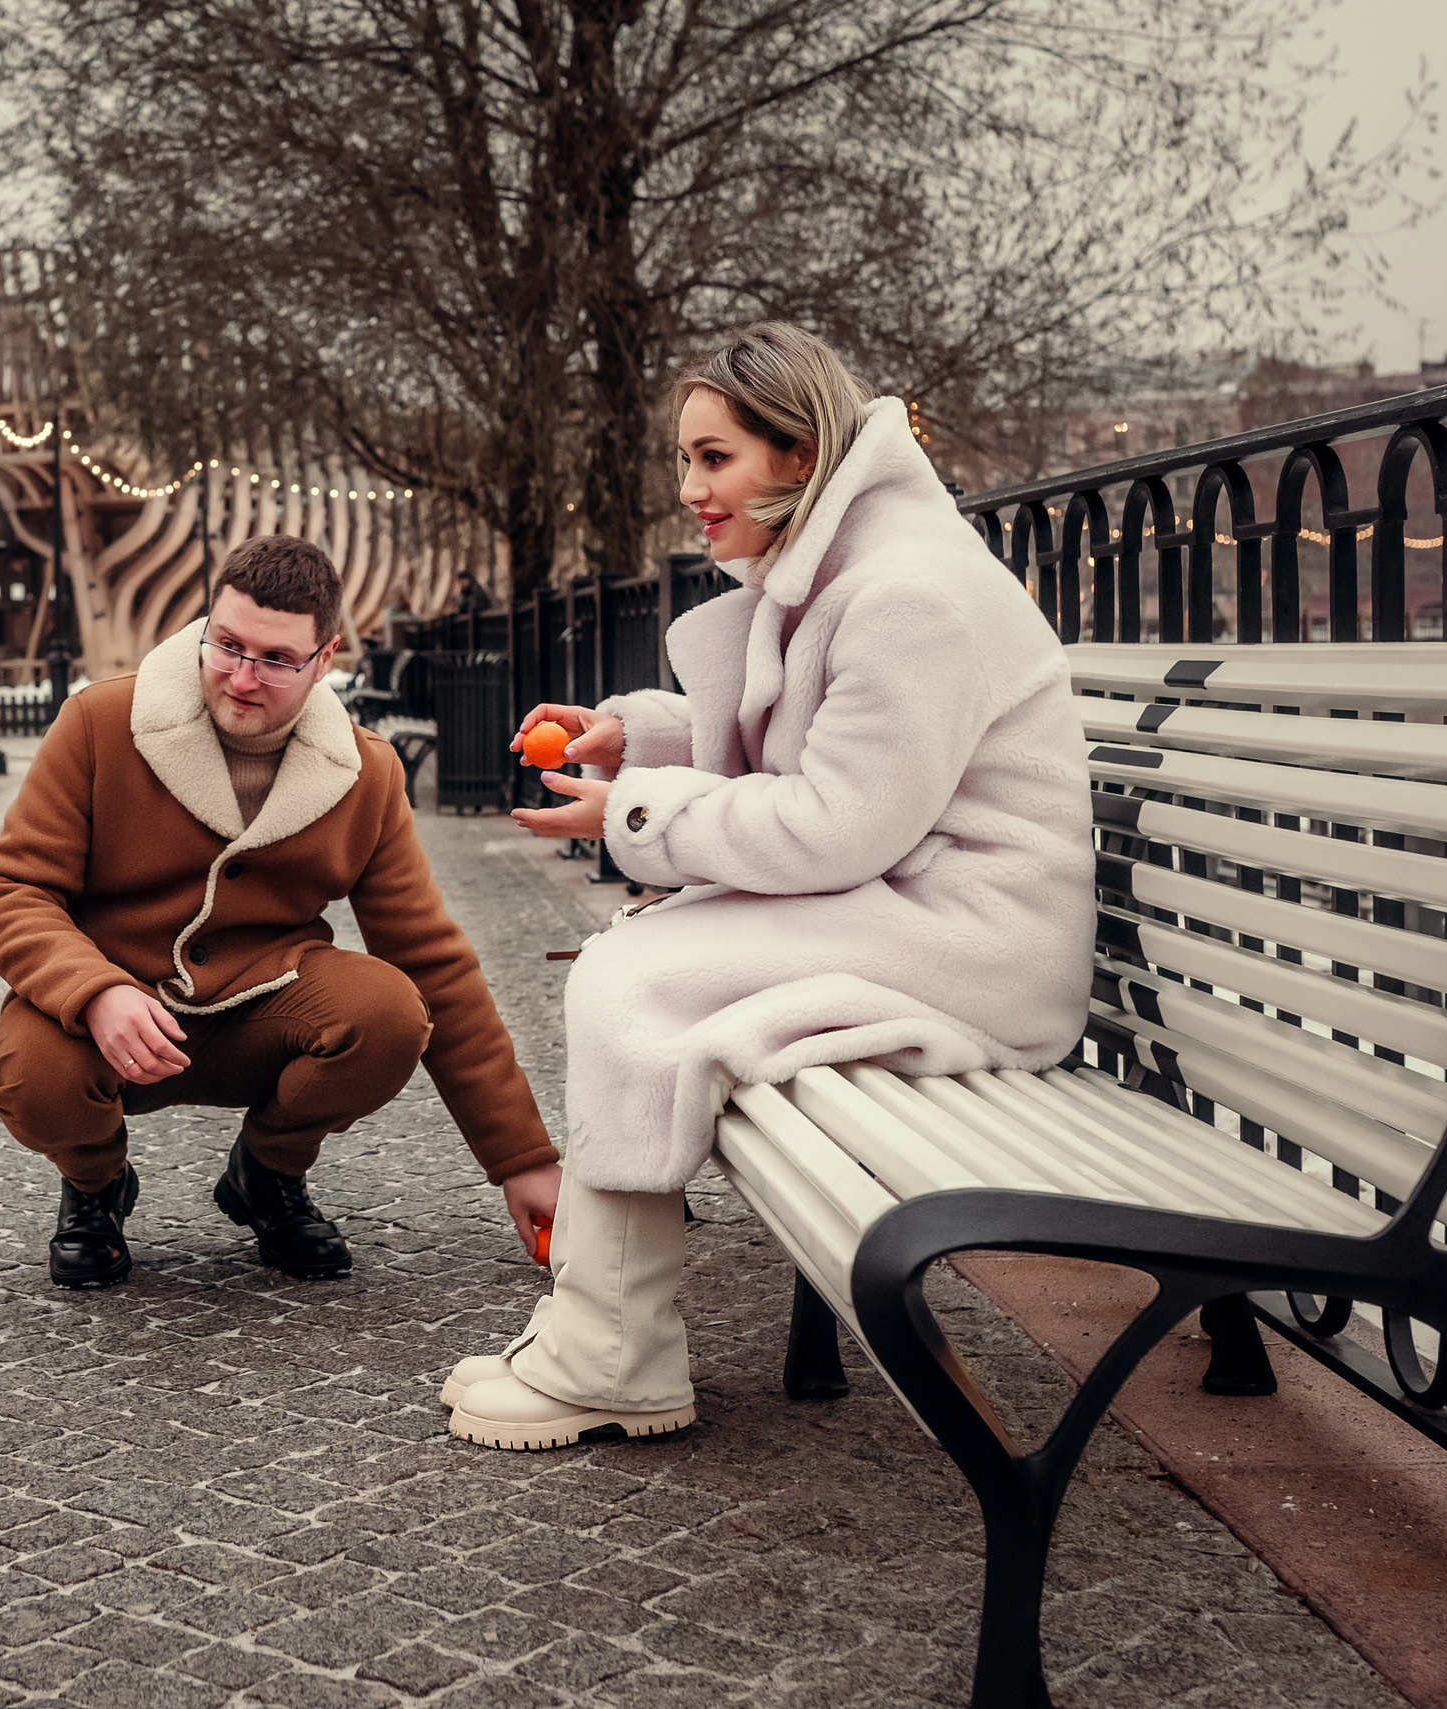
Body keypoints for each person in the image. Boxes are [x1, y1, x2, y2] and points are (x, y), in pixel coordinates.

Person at [442, 323, 1094, 1450]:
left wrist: (635, 814)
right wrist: (629, 739)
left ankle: (612, 1352)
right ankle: (605, 1337)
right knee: (637, 966)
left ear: (797, 453)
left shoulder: (906, 594)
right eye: (685, 460)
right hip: (921, 902)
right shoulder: (859, 562)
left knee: (636, 975)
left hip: (978, 941)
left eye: (711, 458)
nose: (688, 488)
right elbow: (805, 742)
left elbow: (835, 820)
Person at [0, 535, 560, 1288]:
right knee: (31, 1072)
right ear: (206, 624)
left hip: (266, 1012)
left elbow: (431, 959)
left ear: (327, 656)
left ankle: (268, 1174)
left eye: (277, 659)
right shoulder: (98, 721)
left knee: (391, 1013)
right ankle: (94, 1186)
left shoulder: (365, 771)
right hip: (116, 1014)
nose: (243, 678)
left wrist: (524, 1160)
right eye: (227, 645)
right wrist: (94, 990)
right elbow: (7, 887)